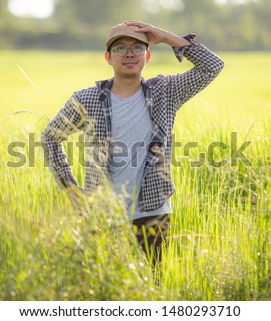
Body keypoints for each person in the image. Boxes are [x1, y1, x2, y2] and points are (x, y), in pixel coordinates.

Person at [42, 20, 224, 268]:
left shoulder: (166, 91)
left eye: (137, 47)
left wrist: (165, 36)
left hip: (152, 212)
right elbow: (50, 138)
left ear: (147, 56)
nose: (129, 53)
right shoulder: (86, 99)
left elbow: (212, 66)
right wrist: (71, 190)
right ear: (108, 57)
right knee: (104, 288)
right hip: (102, 213)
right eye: (120, 48)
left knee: (154, 282)